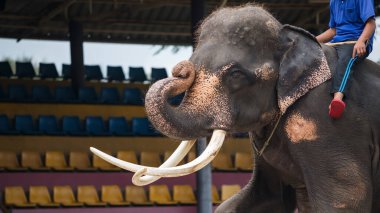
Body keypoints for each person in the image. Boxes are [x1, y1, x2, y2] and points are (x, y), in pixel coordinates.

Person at [316, 0, 376, 119]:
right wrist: (312, 40)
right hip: (336, 42)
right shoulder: (334, 2)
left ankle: (337, 99)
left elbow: (371, 24)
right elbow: (333, 30)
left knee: (346, 59)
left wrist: (361, 41)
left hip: (355, 41)